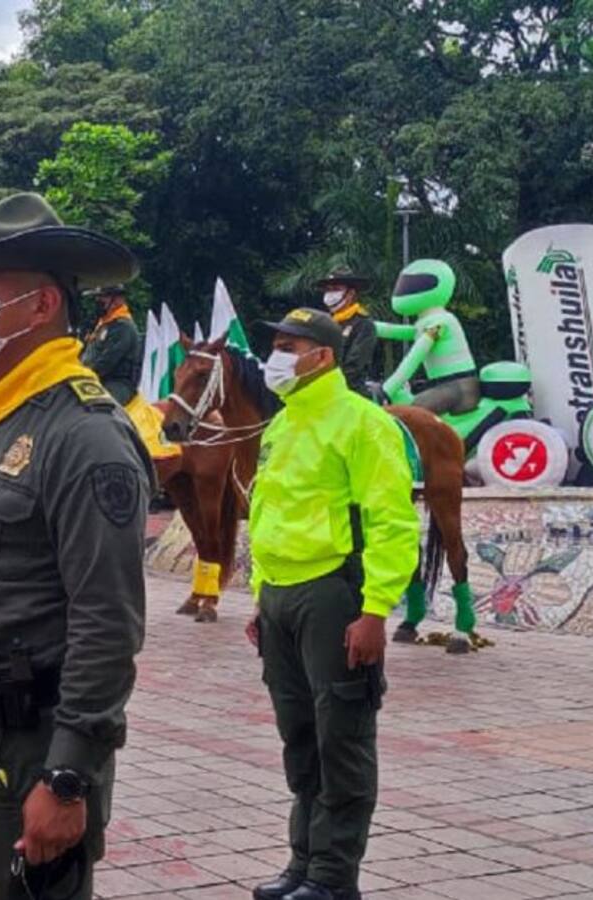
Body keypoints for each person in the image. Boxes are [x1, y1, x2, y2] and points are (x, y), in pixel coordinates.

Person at [0, 191, 151, 900]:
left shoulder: (84, 434)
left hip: (23, 748)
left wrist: (69, 775)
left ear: (40, 306)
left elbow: (107, 621)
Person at [247, 309, 420, 900]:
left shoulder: (363, 423)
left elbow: (392, 521)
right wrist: (260, 596)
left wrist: (375, 610)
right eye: (275, 345)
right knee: (300, 738)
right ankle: (302, 863)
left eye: (287, 346)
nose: (275, 357)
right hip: (280, 597)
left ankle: (333, 877)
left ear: (321, 356)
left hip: (333, 595)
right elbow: (268, 513)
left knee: (341, 738)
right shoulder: (281, 423)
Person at [376, 259, 481, 415]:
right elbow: (399, 331)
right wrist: (364, 324)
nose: (404, 290)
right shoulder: (428, 322)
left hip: (458, 387)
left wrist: (387, 389)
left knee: (409, 414)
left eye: (412, 285)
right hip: (445, 386)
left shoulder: (440, 322)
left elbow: (414, 357)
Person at [315, 268, 377, 397]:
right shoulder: (324, 323)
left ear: (350, 294)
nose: (330, 294)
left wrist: (330, 386)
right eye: (328, 290)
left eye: (336, 289)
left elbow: (354, 366)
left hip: (349, 392)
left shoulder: (363, 324)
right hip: (321, 389)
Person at [81, 284, 142, 405]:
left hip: (118, 384)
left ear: (117, 300)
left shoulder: (122, 327)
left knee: (100, 407)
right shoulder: (103, 325)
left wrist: (83, 374)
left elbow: (106, 363)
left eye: (103, 297)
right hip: (98, 380)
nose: (98, 301)